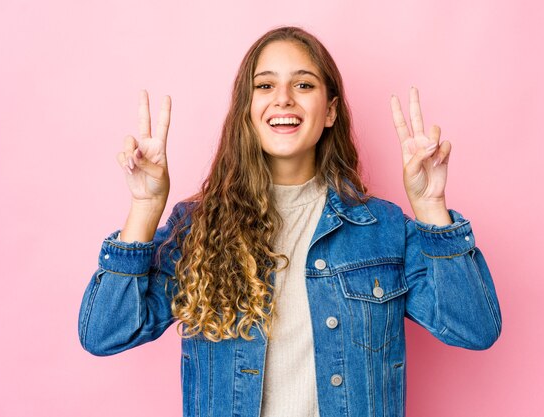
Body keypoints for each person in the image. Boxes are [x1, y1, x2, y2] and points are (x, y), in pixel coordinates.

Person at [78, 26, 501, 417]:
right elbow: (106, 333)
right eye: (265, 86)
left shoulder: (382, 229)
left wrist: (431, 206)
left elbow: (475, 328)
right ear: (248, 111)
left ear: (330, 111)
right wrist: (146, 208)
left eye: (303, 84)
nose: (283, 98)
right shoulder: (197, 228)